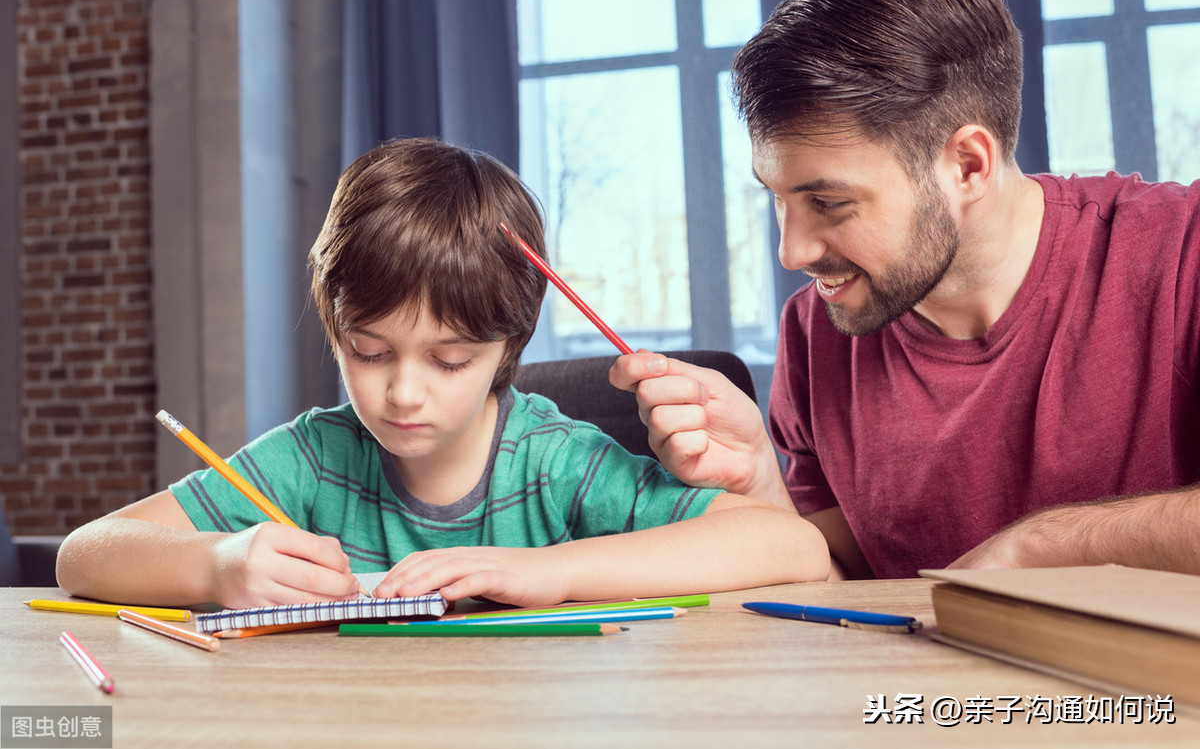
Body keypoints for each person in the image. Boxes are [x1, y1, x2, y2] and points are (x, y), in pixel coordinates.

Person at [611, 0, 1200, 579]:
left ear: (967, 165)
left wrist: (1044, 544)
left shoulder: (1182, 256)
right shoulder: (819, 331)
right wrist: (761, 484)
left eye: (829, 203)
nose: (792, 252)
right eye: (778, 200)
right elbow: (851, 590)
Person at [56, 137, 829, 609]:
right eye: (369, 350)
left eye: (451, 358)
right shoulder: (316, 458)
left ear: (507, 345)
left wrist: (549, 570)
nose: (402, 391)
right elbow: (84, 551)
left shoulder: (554, 461)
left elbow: (792, 550)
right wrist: (217, 564)